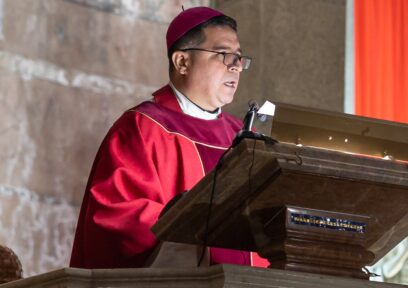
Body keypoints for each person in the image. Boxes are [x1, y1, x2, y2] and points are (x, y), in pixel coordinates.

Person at [70, 7, 265, 268]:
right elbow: (117, 215)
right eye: (223, 55)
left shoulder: (242, 138)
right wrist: (198, 222)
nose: (237, 67)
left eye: (239, 58)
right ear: (182, 62)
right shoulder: (143, 128)